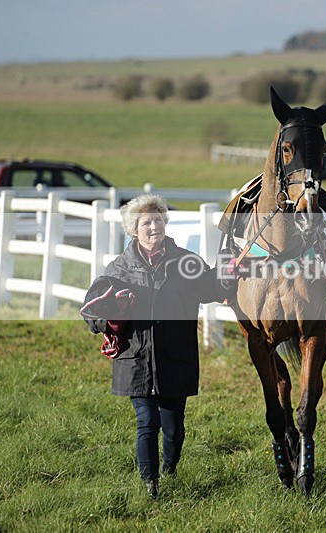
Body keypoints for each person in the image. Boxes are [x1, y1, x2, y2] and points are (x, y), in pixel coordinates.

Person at [80, 194, 227, 500]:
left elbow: (213, 287)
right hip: (136, 359)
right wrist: (105, 320)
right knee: (148, 421)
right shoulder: (119, 268)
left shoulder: (186, 261)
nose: (154, 226)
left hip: (176, 356)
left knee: (173, 429)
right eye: (146, 222)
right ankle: (151, 485)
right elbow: (93, 309)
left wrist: (231, 269)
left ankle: (169, 468)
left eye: (158, 219)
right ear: (134, 229)